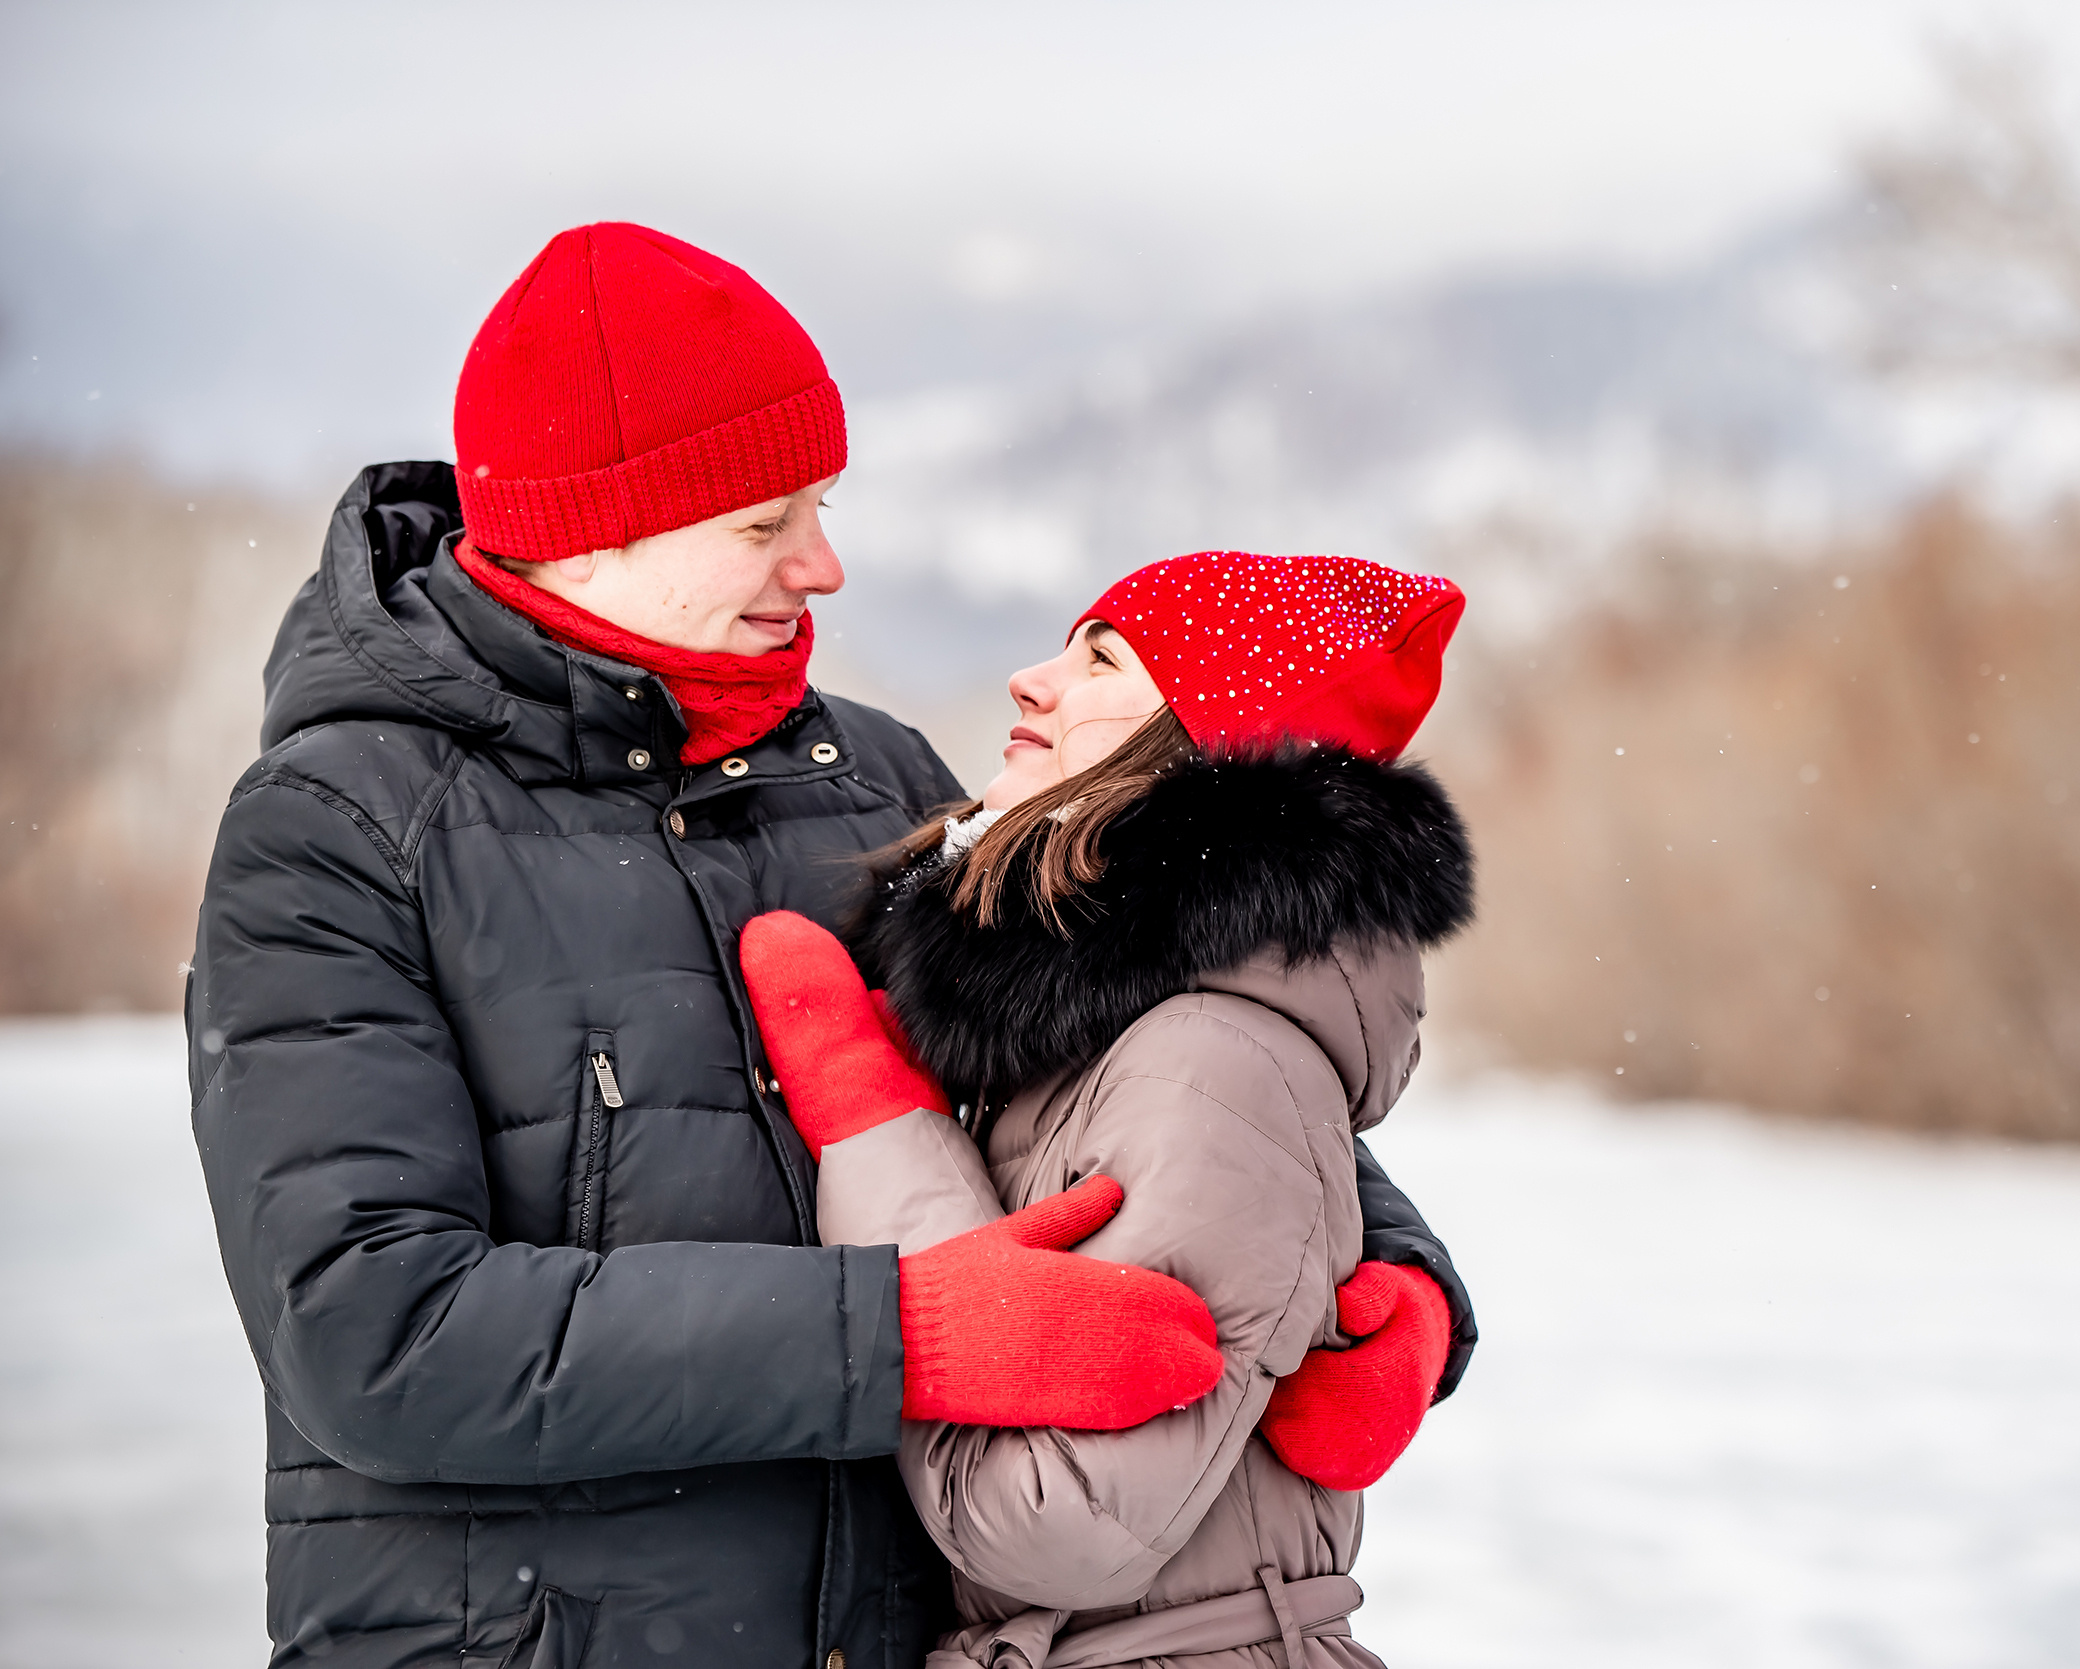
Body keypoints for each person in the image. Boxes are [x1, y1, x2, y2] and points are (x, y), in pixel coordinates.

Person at [186, 223, 1475, 1669]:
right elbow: (375, 1336)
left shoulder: (870, 783)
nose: (824, 563)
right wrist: (902, 1334)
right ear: (596, 528)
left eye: (822, 507)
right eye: (764, 525)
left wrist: (1405, 1278)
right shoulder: (345, 828)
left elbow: (1164, 1059)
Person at [737, 550, 1474, 1667]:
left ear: (1205, 750)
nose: (1030, 679)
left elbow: (1055, 1522)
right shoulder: (1087, 1018)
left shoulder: (1203, 1054)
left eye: (1103, 661)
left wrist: (877, 1124)